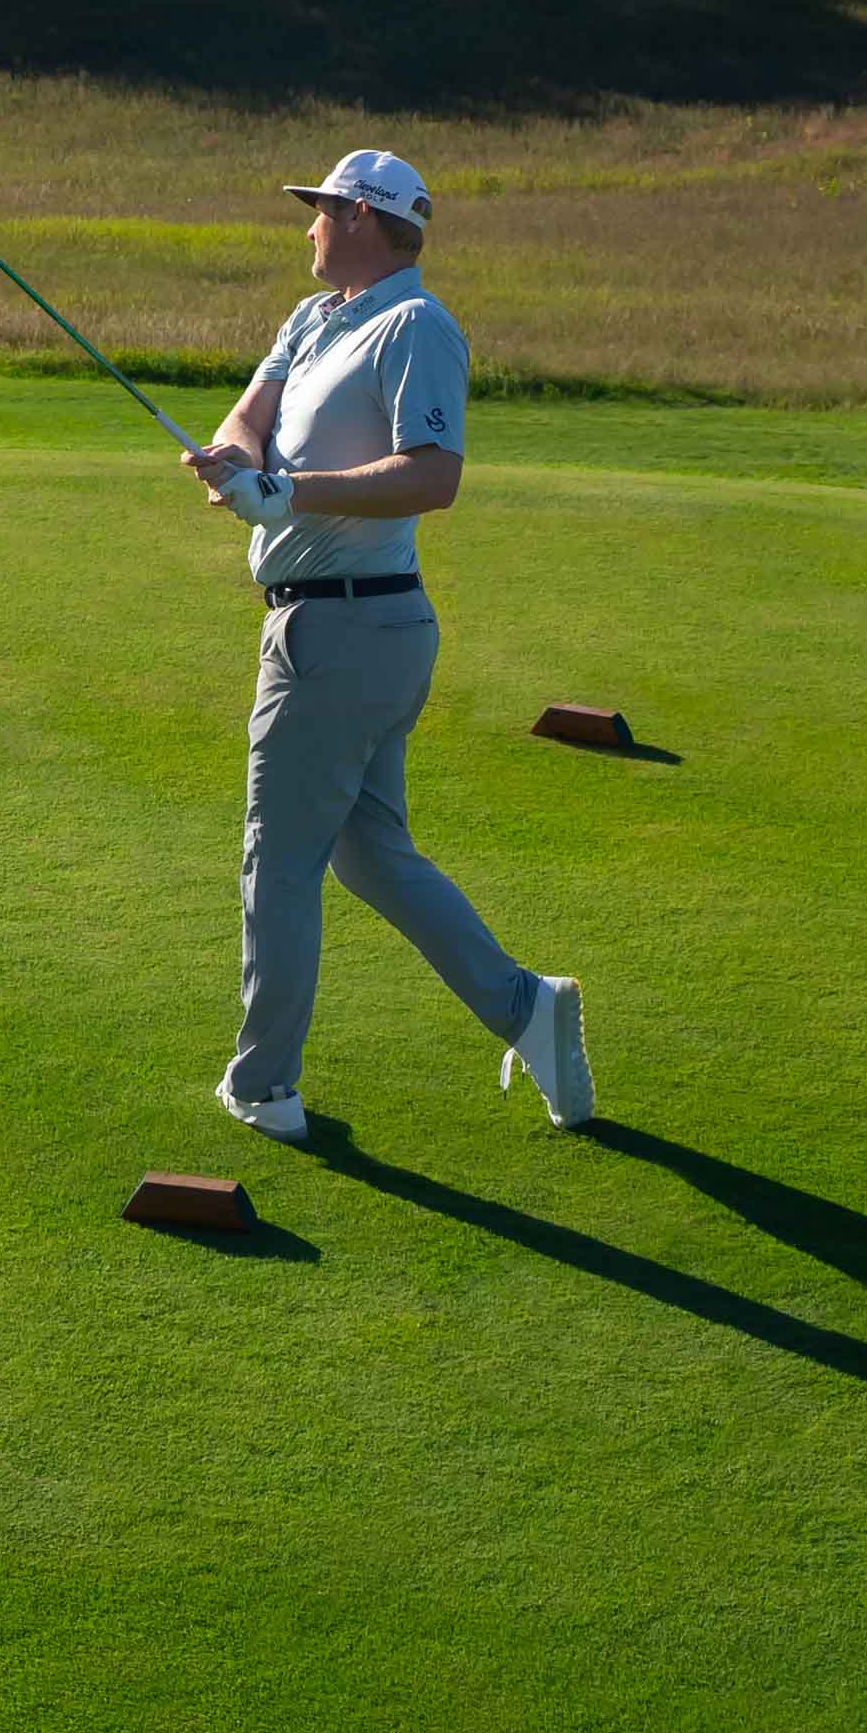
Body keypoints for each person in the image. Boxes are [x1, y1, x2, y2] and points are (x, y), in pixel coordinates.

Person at [180, 146, 592, 1143]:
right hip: (336, 623)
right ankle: (526, 1009)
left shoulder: (416, 326)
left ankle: (263, 1087)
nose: (307, 226)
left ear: (361, 216)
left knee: (273, 862)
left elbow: (431, 473)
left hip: (345, 628)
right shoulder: (312, 317)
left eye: (318, 211)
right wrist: (233, 458)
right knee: (366, 855)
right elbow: (252, 412)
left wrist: (288, 492)